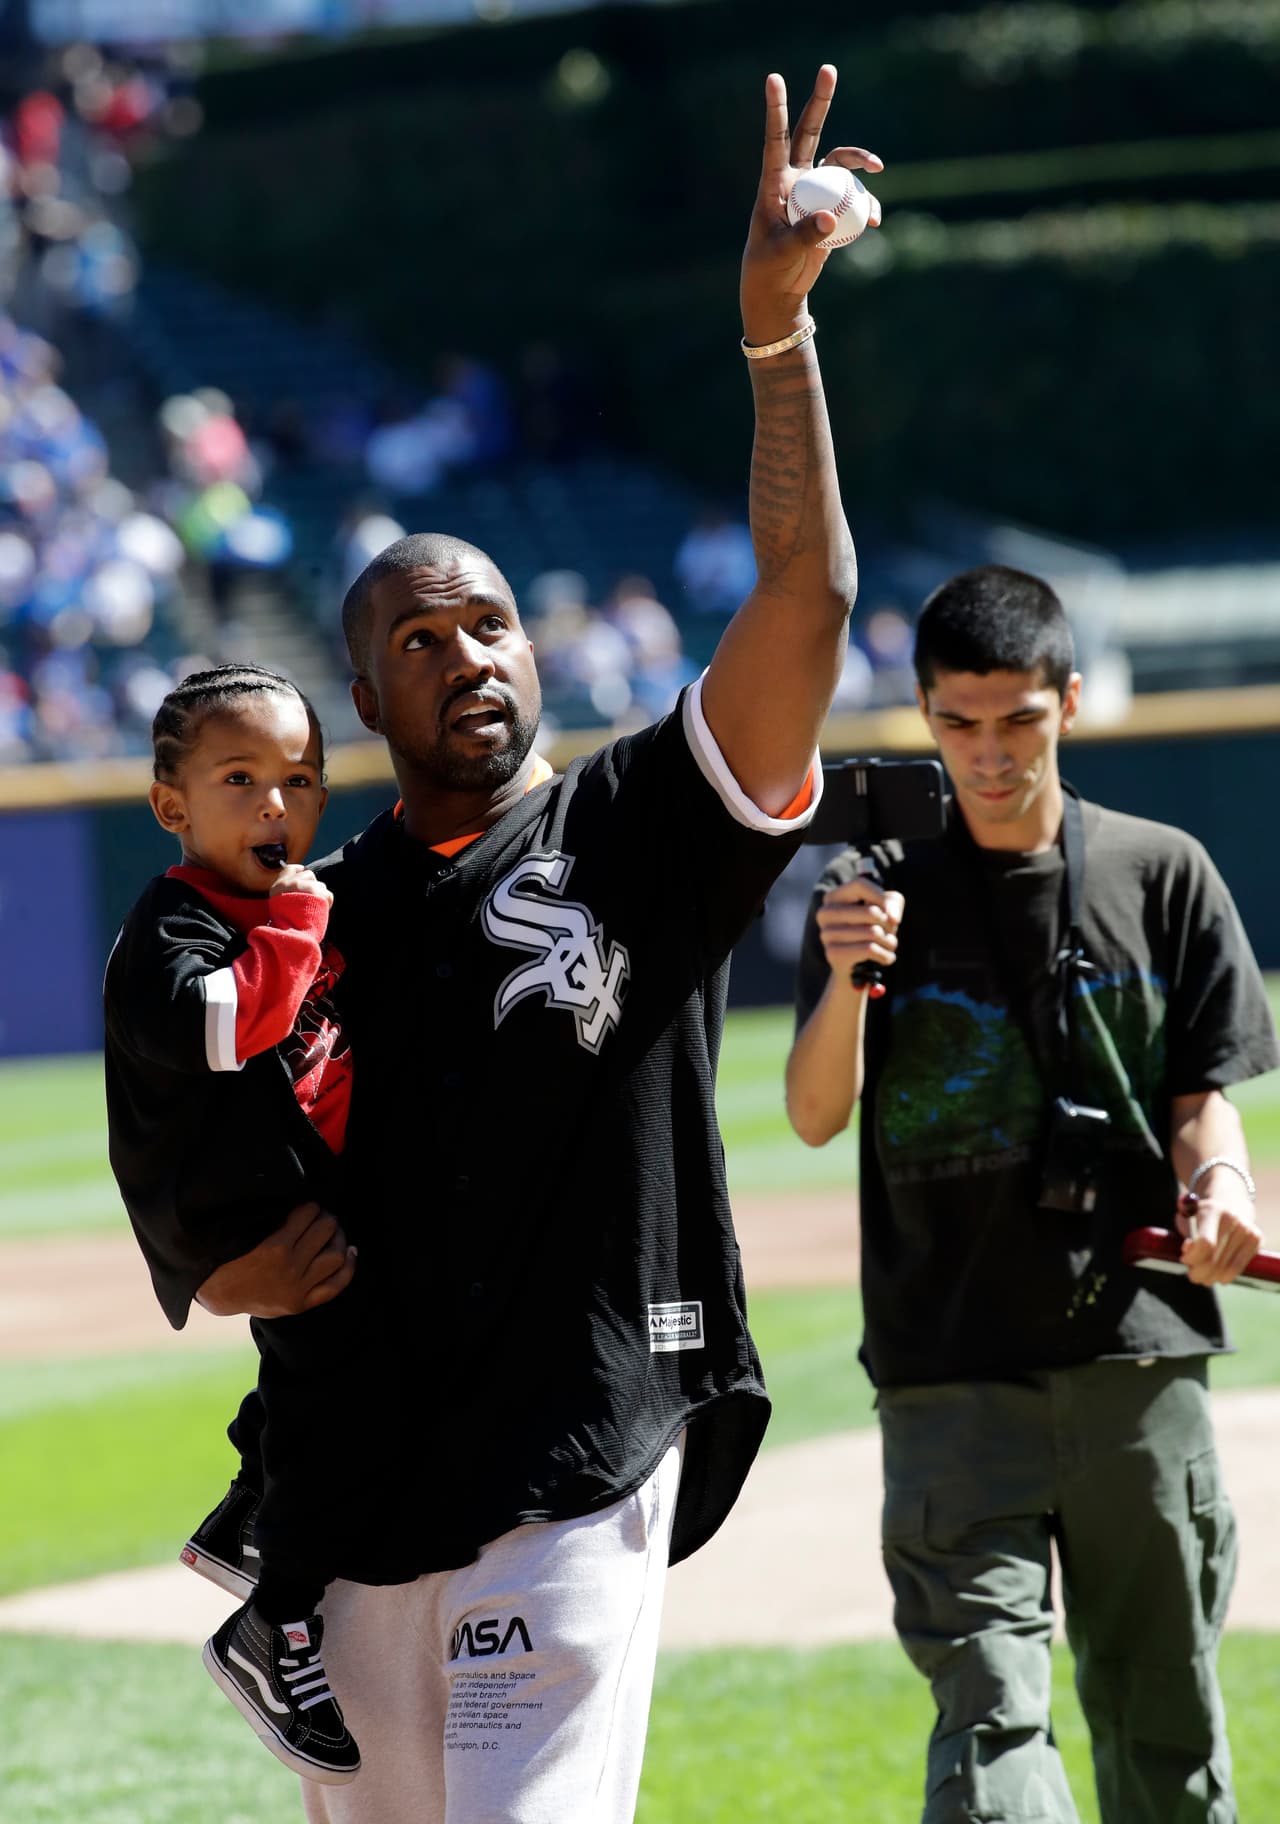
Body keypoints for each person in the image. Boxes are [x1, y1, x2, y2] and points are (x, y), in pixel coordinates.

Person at [188, 64, 882, 1823]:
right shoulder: (310, 913)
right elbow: (207, 1134)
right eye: (424, 637)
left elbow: (806, 605)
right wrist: (217, 1258)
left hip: (574, 1448)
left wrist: (773, 340)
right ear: (363, 690)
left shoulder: (637, 825)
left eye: (491, 620)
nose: (471, 652)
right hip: (360, 1478)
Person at [786, 563, 1278, 1824]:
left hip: (1137, 1359)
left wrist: (1220, 1181)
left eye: (1018, 721)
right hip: (947, 1375)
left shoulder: (1163, 871)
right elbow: (811, 1111)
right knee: (988, 1726)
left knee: (1166, 1730)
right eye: (958, 723)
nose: (989, 754)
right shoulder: (869, 896)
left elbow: (1197, 1098)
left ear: (1068, 701)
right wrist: (847, 978)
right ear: (922, 715)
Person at [103, 662, 363, 1785]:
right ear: (173, 806)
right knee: (347, 1385)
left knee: (327, 1379)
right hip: (222, 1209)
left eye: (299, 779)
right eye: (241, 778)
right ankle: (276, 1621)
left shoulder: (263, 904)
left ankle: (248, 1510)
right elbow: (226, 1029)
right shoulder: (174, 921)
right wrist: (300, 926)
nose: (277, 805)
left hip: (275, 1187)